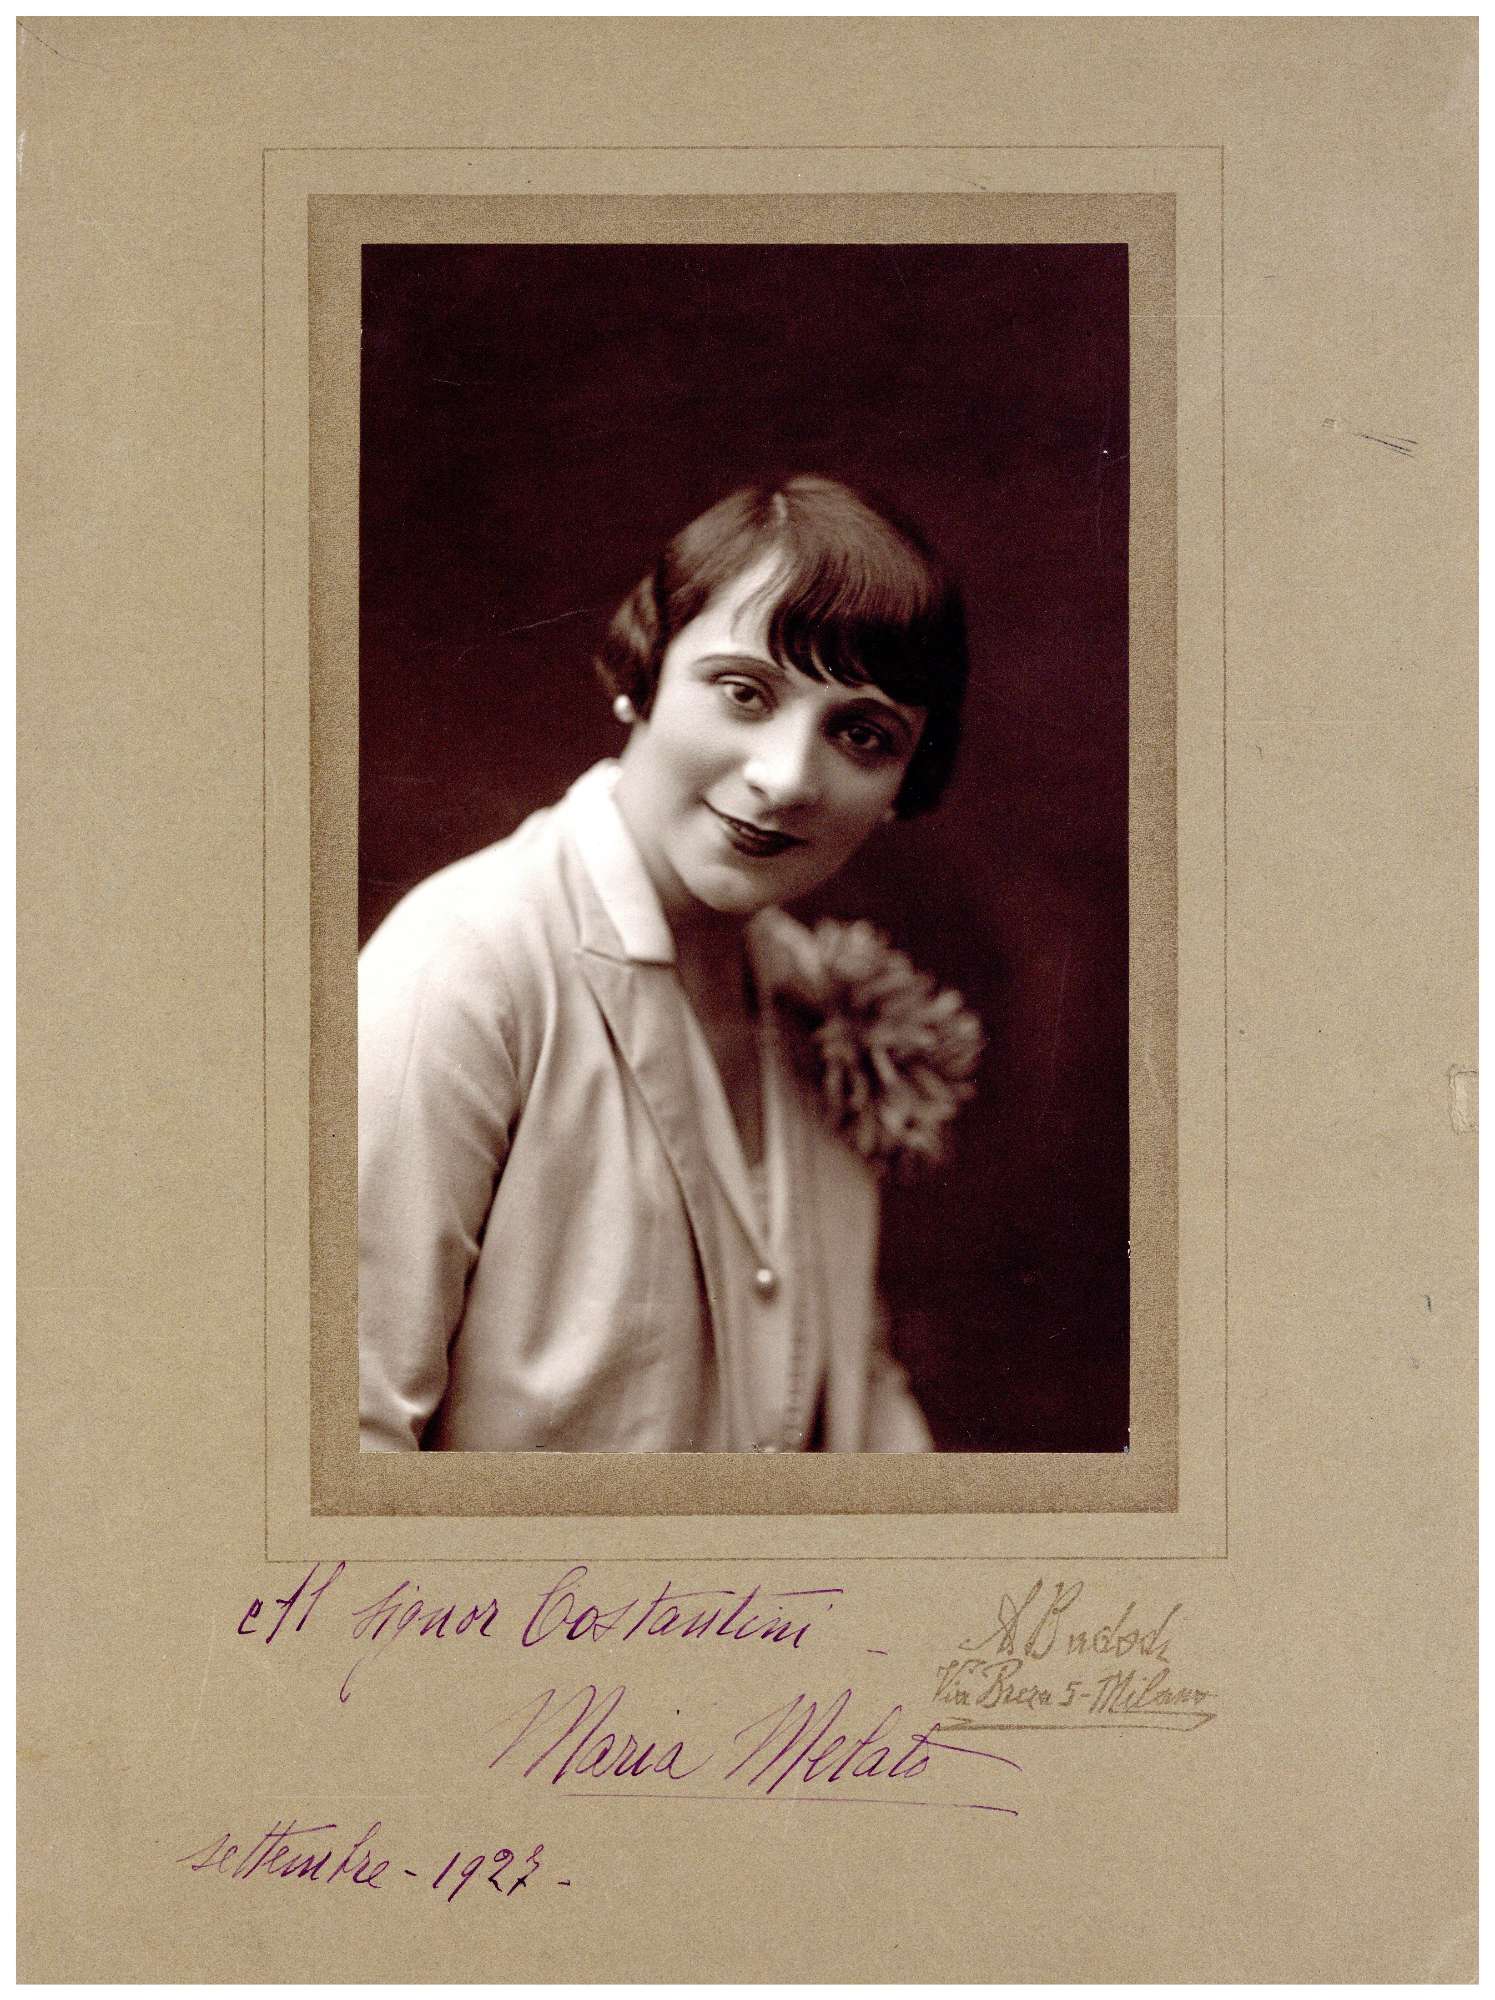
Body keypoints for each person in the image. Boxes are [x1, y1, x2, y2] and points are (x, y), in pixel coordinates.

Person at [358, 475, 982, 1453]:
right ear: (643, 672)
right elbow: (339, 1436)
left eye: (861, 733)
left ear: (905, 780)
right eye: (744, 692)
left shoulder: (815, 1002)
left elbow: (855, 1398)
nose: (786, 777)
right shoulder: (468, 963)